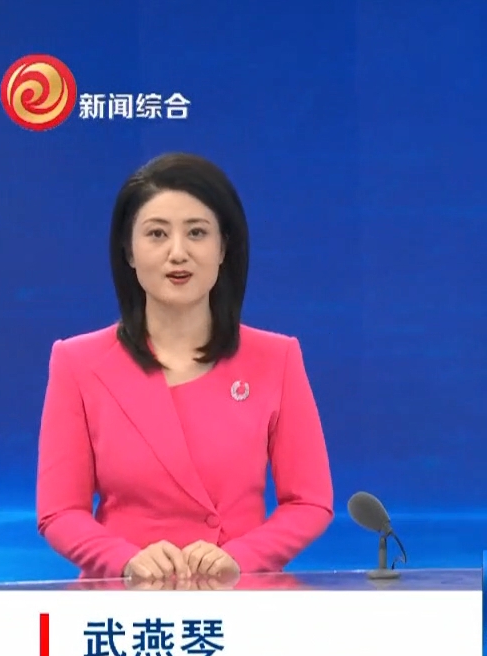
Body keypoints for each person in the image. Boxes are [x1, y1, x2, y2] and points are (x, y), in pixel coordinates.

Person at [36, 152, 335, 581]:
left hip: (237, 598)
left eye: (197, 232)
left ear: (223, 247)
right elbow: (60, 511)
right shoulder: (78, 363)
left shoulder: (277, 358)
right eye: (157, 234)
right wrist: (124, 560)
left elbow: (310, 502)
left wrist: (241, 557)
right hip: (126, 603)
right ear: (129, 250)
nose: (178, 253)